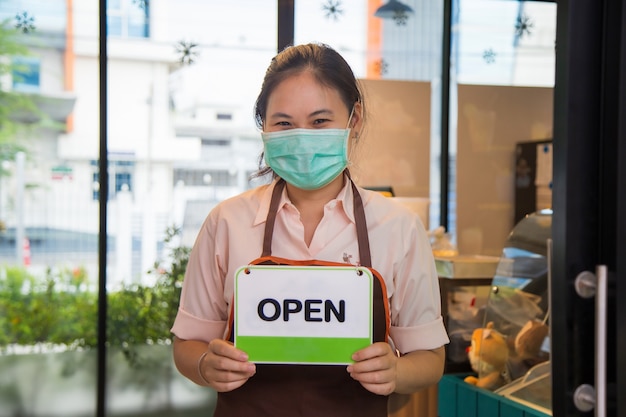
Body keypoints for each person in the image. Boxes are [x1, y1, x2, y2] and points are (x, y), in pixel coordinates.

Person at [171, 42, 449, 417]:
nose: (301, 137)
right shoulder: (227, 222)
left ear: (355, 121)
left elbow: (430, 359)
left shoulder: (398, 228)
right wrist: (206, 364)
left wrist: (397, 371)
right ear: (264, 128)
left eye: (319, 121)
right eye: (283, 123)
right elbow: (188, 344)